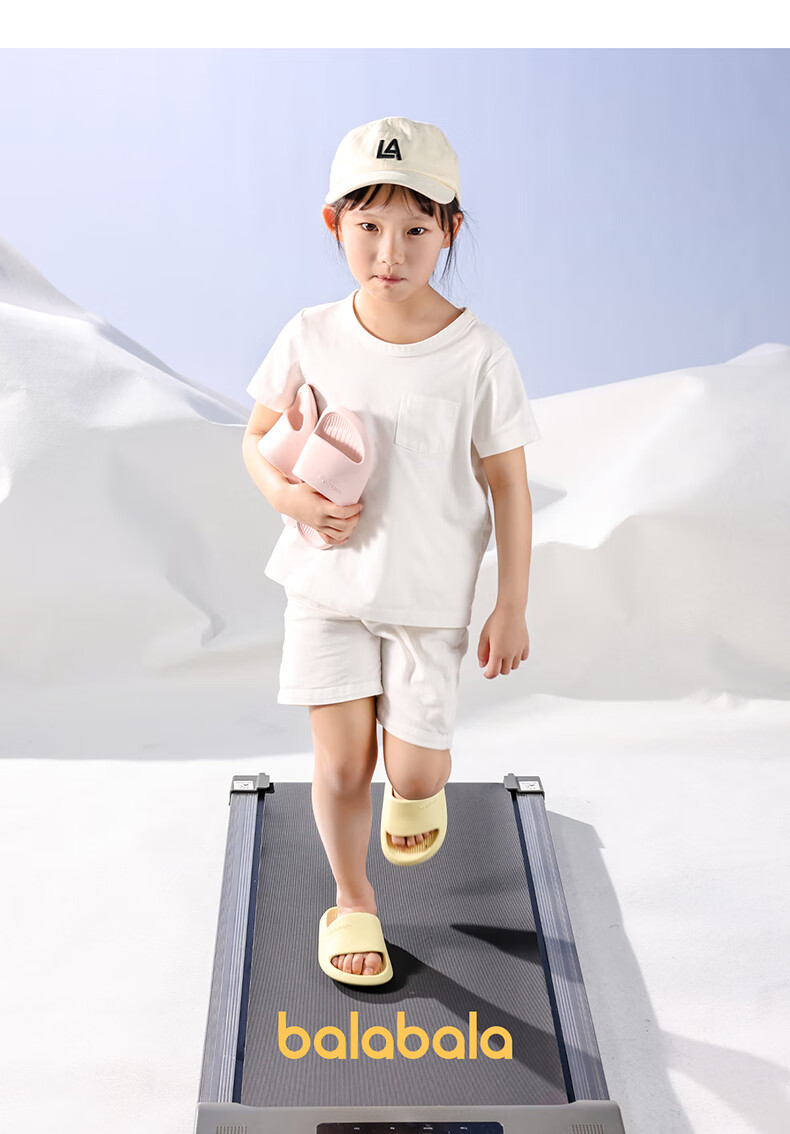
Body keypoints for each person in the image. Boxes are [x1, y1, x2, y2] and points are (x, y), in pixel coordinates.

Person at [242, 116, 541, 986]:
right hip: (325, 587)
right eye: (369, 225)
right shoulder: (309, 334)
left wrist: (512, 602)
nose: (389, 251)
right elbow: (256, 439)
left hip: (425, 601)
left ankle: (417, 788)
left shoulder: (479, 355)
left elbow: (509, 484)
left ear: (450, 229)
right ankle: (352, 901)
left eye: (415, 229)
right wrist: (287, 496)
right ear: (333, 222)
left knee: (412, 771)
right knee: (342, 764)